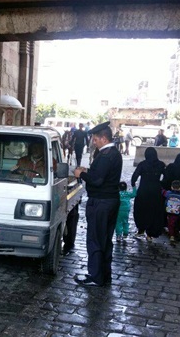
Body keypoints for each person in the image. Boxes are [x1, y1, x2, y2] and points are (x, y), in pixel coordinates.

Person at [73, 121, 122, 287]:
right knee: (106, 239)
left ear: (103, 138)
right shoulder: (114, 153)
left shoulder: (106, 155)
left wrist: (81, 174)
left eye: (95, 139)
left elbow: (98, 180)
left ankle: (95, 276)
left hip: (101, 202)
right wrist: (89, 172)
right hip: (111, 201)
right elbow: (102, 175)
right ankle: (104, 275)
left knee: (95, 239)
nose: (93, 142)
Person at [131, 147, 166, 242]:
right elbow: (166, 176)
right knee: (153, 211)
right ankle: (150, 234)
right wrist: (161, 184)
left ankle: (141, 230)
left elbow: (134, 177)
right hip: (156, 191)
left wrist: (134, 187)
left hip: (143, 190)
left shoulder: (142, 165)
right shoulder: (161, 164)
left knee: (141, 210)